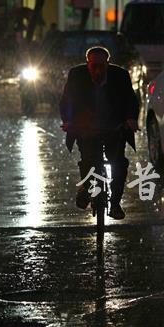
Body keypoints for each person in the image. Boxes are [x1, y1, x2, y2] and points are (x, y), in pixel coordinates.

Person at [60, 46, 139, 220]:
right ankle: (87, 188)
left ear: (108, 65)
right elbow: (67, 101)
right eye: (93, 66)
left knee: (119, 163)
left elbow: (131, 101)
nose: (97, 70)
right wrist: (69, 121)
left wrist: (131, 119)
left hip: (114, 127)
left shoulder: (120, 76)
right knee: (89, 160)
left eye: (101, 66)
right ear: (87, 64)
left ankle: (115, 203)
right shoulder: (77, 75)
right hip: (87, 128)